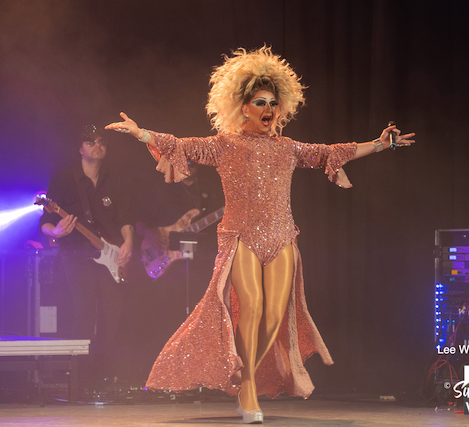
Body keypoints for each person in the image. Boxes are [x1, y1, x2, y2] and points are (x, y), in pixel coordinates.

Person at [106, 47, 414, 423]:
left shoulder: (288, 148)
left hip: (281, 236)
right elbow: (180, 146)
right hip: (241, 235)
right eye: (260, 102)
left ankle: (244, 376)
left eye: (273, 103)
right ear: (244, 108)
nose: (269, 109)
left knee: (274, 314)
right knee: (250, 306)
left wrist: (381, 144)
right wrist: (141, 134)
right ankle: (248, 390)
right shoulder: (224, 144)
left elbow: (332, 153)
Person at [39, 125, 134, 390]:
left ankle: (102, 375)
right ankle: (79, 379)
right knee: (83, 314)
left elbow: (125, 218)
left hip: (111, 256)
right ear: (80, 149)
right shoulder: (64, 180)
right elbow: (45, 222)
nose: (97, 145)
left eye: (102, 141)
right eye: (90, 141)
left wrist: (128, 243)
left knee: (113, 316)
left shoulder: (114, 180)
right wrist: (56, 232)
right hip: (76, 256)